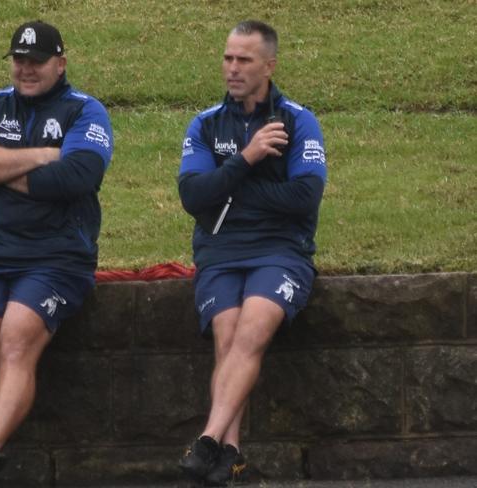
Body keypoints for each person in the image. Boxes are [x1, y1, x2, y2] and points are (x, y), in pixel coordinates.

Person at [0, 20, 113, 486]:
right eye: (19, 60)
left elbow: (76, 178)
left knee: (15, 336)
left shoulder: (86, 112)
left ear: (61, 63)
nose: (26, 70)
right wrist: (42, 155)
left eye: (37, 61)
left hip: (56, 256)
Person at [177, 20, 327, 486]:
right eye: (228, 57)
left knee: (251, 331)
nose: (233, 68)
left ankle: (207, 438)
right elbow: (192, 196)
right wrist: (248, 159)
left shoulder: (298, 120)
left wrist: (233, 189)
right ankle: (231, 455)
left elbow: (305, 197)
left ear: (269, 65)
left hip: (281, 251)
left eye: (244, 59)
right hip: (221, 250)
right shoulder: (205, 124)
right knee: (227, 336)